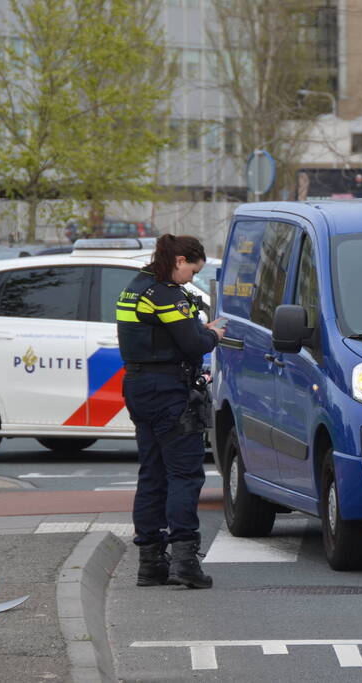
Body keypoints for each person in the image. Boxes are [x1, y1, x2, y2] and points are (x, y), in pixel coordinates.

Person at [116, 234, 226, 589]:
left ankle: (150, 563)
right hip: (168, 391)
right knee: (184, 474)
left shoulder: (134, 287)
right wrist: (213, 334)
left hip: (138, 387)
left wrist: (194, 329)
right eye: (192, 272)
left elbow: (161, 333)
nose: (191, 279)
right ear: (180, 260)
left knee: (152, 474)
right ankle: (184, 562)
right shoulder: (165, 294)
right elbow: (192, 343)